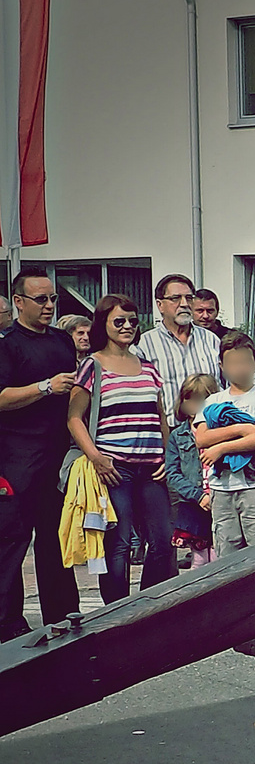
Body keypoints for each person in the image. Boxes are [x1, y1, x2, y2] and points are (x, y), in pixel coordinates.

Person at [65, 295, 178, 603]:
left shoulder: (147, 367)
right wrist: (96, 457)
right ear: (103, 323)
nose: (127, 326)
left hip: (152, 466)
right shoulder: (93, 365)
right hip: (115, 468)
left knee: (163, 542)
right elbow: (74, 418)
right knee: (119, 544)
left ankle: (150, 607)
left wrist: (169, 457)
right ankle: (116, 614)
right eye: (119, 321)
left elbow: (161, 417)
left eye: (132, 320)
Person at [0, 267, 80, 640]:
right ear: (18, 302)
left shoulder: (62, 342)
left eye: (52, 299)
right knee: (13, 539)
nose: (49, 306)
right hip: (17, 456)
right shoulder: (7, 343)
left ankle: (62, 612)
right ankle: (8, 622)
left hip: (57, 454)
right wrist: (45, 387)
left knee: (56, 536)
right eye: (41, 299)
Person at [196, 331, 255, 554]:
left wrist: (222, 447)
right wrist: (240, 429)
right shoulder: (214, 400)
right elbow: (202, 438)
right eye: (232, 363)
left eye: (244, 361)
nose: (239, 368)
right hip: (221, 487)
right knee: (226, 552)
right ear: (222, 365)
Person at [134, 273, 222, 419]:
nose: (184, 304)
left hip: (210, 428)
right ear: (160, 305)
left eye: (189, 298)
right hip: (168, 429)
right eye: (175, 298)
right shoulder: (144, 345)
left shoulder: (210, 340)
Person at [166, 373, 219, 568]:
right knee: (198, 558)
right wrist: (198, 496)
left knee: (217, 554)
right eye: (190, 399)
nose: (195, 405)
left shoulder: (221, 431)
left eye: (202, 399)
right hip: (193, 504)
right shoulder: (178, 436)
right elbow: (173, 473)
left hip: (219, 500)